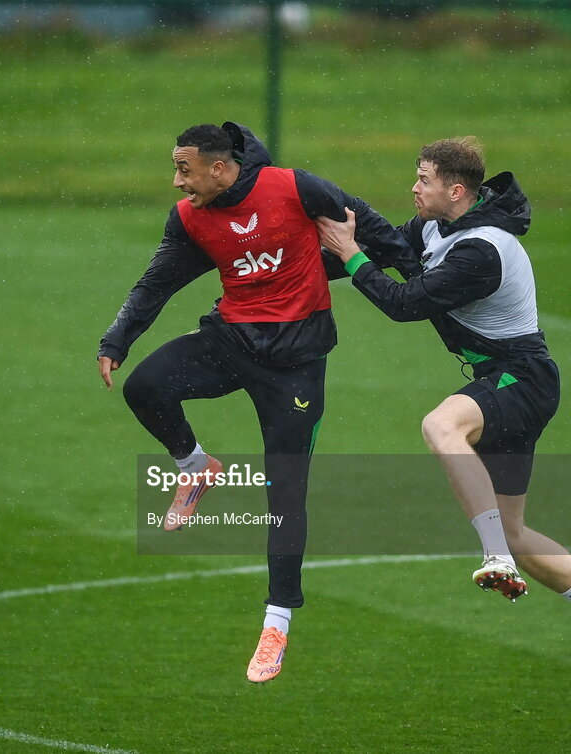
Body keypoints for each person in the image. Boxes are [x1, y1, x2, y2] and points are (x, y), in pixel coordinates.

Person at [316, 137, 571, 687]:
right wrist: (290, 263)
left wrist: (349, 254)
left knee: (442, 425)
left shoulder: (483, 250)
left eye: (423, 179)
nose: (413, 188)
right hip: (505, 380)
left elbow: (405, 304)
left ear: (456, 189)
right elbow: (394, 253)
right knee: (515, 529)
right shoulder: (433, 228)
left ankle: (495, 559)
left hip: (523, 379)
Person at [98, 122, 415, 683]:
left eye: (184, 170)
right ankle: (196, 467)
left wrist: (419, 276)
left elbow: (372, 227)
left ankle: (276, 623)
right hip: (229, 342)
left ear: (221, 168)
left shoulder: (297, 188)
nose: (177, 182)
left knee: (284, 490)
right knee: (145, 388)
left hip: (296, 365)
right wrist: (117, 340)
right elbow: (156, 282)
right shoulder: (191, 218)